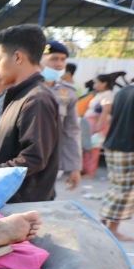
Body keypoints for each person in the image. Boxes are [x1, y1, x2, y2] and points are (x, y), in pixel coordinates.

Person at [0, 25, 61, 203]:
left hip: (20, 207)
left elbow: (33, 158)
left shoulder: (37, 100)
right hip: (6, 200)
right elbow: (3, 148)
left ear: (18, 57)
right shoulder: (18, 96)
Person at [41, 40, 82, 191]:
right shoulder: (23, 86)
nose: (59, 63)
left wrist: (74, 167)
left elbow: (71, 131)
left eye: (63, 59)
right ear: (39, 59)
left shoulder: (68, 92)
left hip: (50, 161)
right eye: (54, 58)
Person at [100, 83, 134, 240]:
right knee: (125, 190)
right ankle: (112, 229)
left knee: (117, 187)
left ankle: (102, 223)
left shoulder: (122, 91)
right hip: (128, 147)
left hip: (112, 143)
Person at [84, 72, 122, 177]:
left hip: (98, 124)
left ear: (104, 83)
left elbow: (106, 110)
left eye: (96, 83)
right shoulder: (99, 94)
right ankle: (85, 170)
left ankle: (90, 172)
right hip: (91, 123)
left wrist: (99, 126)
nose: (94, 85)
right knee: (88, 147)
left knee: (94, 148)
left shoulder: (107, 95)